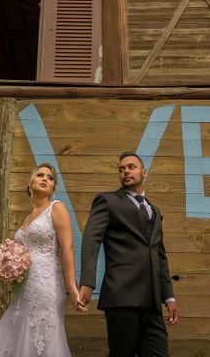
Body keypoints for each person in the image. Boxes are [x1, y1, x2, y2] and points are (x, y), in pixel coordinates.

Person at [79, 151, 179, 357]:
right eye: (121, 169)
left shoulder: (155, 211)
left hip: (152, 302)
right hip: (122, 297)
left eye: (131, 167)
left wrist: (168, 297)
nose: (125, 171)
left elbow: (160, 255)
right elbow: (91, 240)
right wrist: (88, 281)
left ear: (144, 172)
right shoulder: (107, 201)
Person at [0, 163, 86, 357]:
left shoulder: (57, 208)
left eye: (50, 177)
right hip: (24, 290)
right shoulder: (28, 218)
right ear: (30, 183)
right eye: (40, 175)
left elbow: (68, 247)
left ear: (53, 187)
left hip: (46, 287)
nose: (45, 178)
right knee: (17, 336)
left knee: (42, 338)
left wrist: (72, 287)